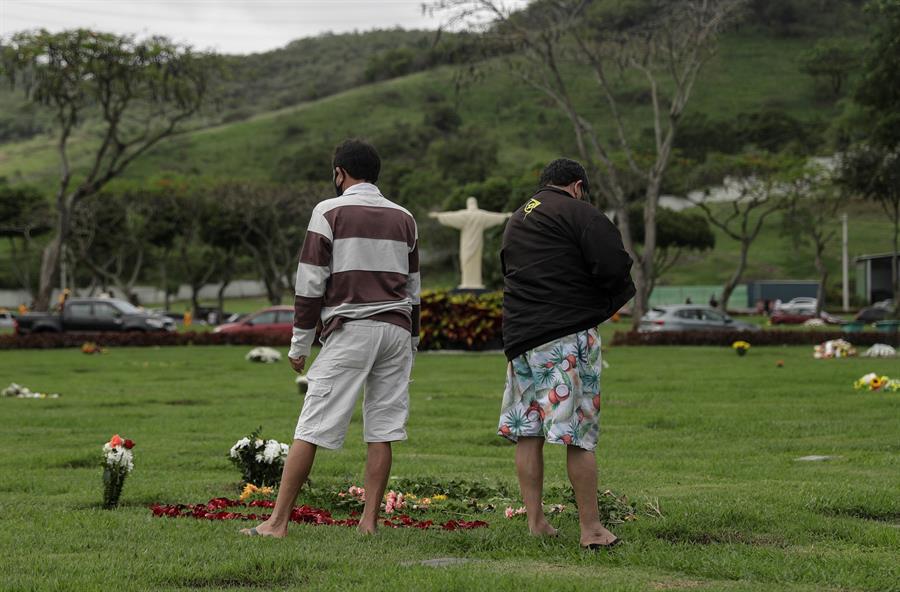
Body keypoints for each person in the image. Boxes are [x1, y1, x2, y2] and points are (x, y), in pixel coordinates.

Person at [242, 139, 420, 538]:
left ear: (339, 173)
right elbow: (414, 288)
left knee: (311, 426)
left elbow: (310, 283)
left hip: (352, 329)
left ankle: (277, 522)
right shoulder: (405, 217)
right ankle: (369, 522)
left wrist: (299, 346)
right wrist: (412, 341)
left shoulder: (328, 211)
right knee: (383, 428)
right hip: (396, 328)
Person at [498, 158, 635, 549]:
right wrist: (604, 302)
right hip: (564, 337)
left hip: (521, 339)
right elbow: (613, 265)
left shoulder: (517, 218)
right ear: (577, 186)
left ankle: (536, 522)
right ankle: (591, 529)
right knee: (578, 436)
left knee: (529, 431)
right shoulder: (580, 213)